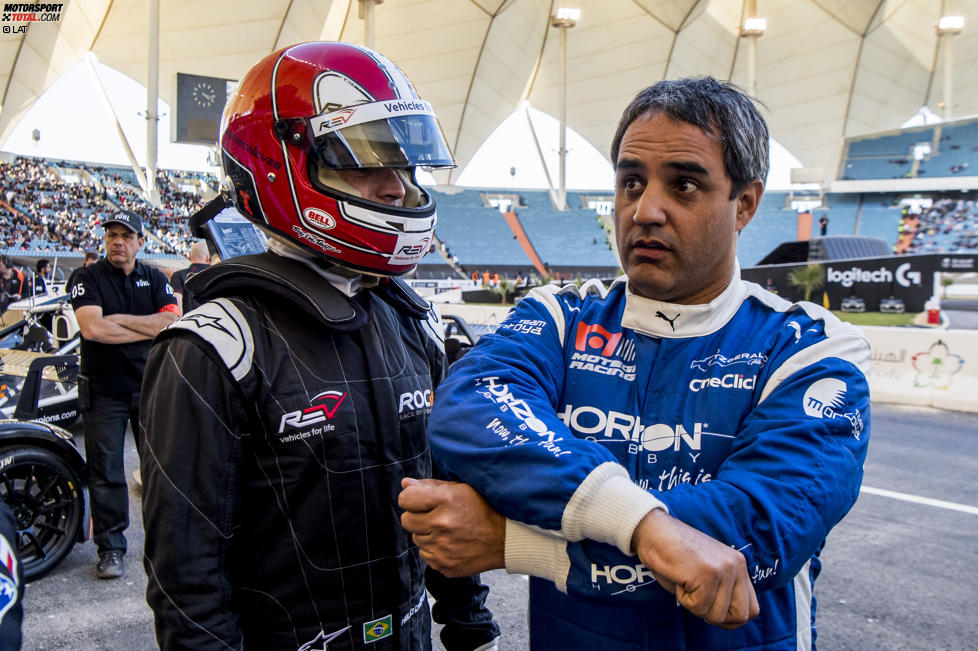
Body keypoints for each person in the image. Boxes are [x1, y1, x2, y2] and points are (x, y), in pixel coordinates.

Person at [400, 77, 871, 650]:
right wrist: (646, 527)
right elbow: (470, 410)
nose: (646, 210)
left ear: (744, 203)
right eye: (630, 181)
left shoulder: (813, 349)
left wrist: (514, 543)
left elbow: (753, 538)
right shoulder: (559, 315)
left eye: (685, 184)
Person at [139, 42, 499, 651]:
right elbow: (187, 582)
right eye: (366, 159)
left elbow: (442, 505)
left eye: (406, 165)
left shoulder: (413, 322)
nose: (397, 188)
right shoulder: (215, 347)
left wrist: (470, 626)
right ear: (281, 165)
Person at [69, 210, 179, 580]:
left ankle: (164, 547)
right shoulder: (87, 277)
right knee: (107, 473)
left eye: (126, 236)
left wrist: (117, 319)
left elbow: (170, 322)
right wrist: (145, 328)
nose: (118, 241)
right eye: (112, 235)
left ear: (140, 242)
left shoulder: (154, 277)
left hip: (150, 388)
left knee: (159, 470)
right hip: (104, 393)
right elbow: (94, 330)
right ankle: (111, 548)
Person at [167, 240, 210, 312]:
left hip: (189, 321)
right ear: (208, 258)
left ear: (189, 255)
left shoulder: (179, 275)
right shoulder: (217, 275)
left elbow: (177, 303)